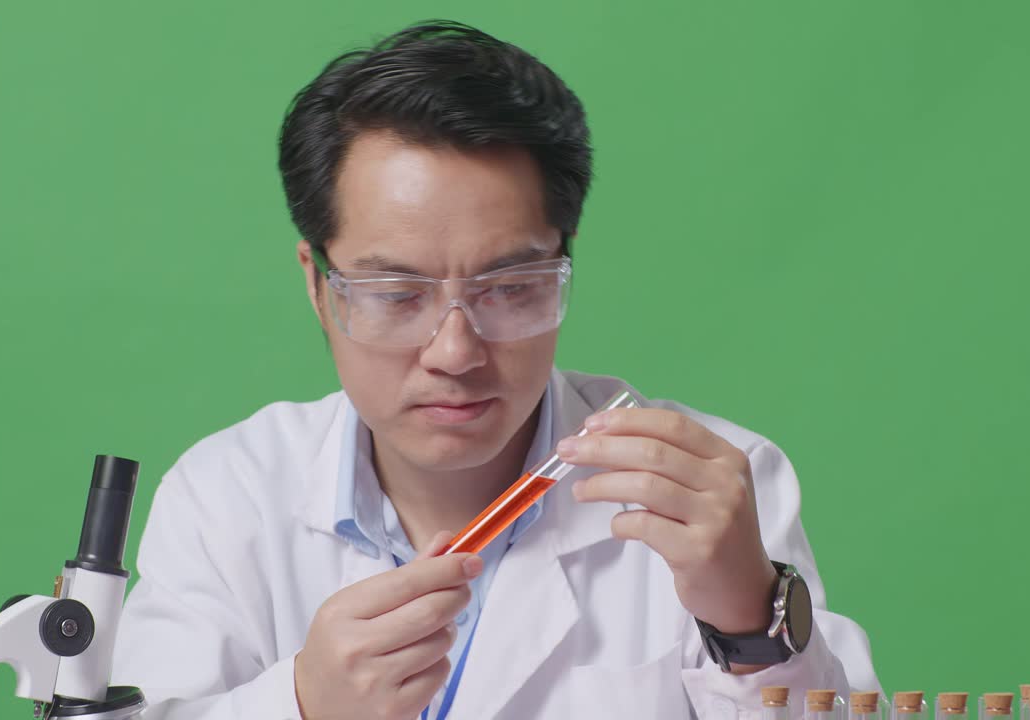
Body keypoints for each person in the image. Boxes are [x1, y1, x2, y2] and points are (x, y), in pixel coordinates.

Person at [111, 20, 880, 720]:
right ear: (317, 284)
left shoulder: (711, 486)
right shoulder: (229, 499)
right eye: (396, 293)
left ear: (564, 266)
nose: (454, 351)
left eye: (511, 288)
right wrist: (302, 705)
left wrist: (750, 622)